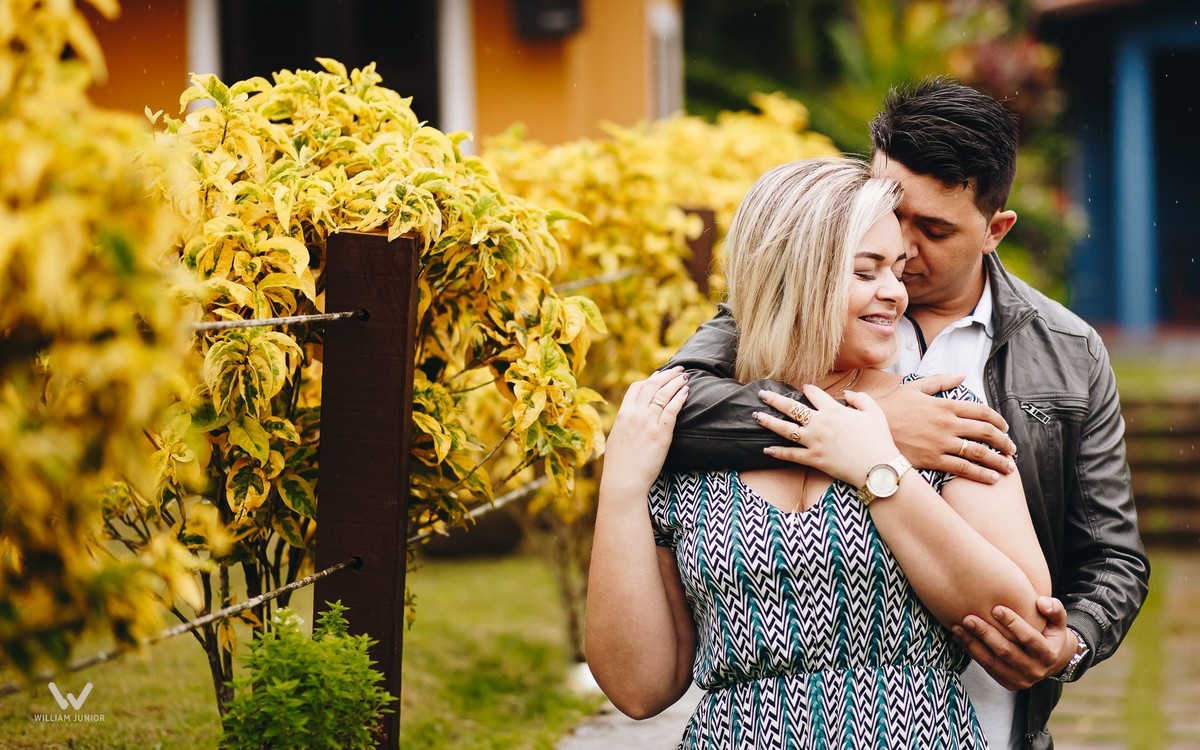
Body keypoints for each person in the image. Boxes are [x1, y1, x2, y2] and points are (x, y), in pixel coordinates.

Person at [660, 78, 1150, 749]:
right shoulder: (786, 311)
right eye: (895, 211)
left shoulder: (1067, 354)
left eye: (936, 229)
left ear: (995, 230)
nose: (905, 249)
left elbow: (1113, 554)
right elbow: (676, 411)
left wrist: (1069, 643)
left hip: (988, 713)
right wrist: (872, 419)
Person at [586, 158, 1052, 748]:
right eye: (867, 271)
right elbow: (639, 688)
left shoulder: (939, 418)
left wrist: (879, 471)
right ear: (793, 276)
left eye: (898, 271)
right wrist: (623, 488)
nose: (895, 293)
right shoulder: (691, 439)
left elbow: (1027, 621)